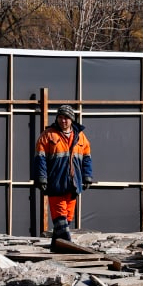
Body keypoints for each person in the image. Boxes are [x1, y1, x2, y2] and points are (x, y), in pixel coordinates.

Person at [34, 104, 93, 248]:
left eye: (66, 118)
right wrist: (41, 178)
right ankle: (67, 247)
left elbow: (87, 158)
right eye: (60, 117)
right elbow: (39, 159)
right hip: (56, 183)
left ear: (72, 119)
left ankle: (57, 246)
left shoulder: (81, 137)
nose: (63, 120)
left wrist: (87, 177)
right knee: (60, 216)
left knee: (68, 217)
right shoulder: (48, 135)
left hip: (73, 184)